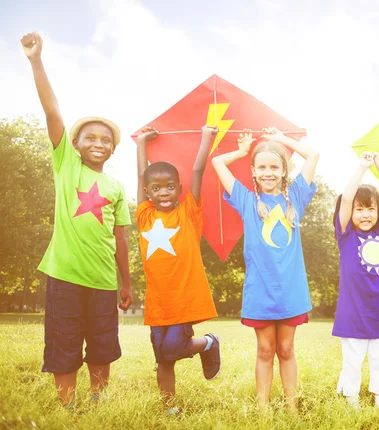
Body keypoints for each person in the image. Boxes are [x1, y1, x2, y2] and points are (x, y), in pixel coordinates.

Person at [21, 31, 132, 407]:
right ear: (76, 143)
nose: (98, 143)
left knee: (102, 344)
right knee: (64, 341)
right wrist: (36, 61)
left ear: (113, 149)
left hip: (103, 280)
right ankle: (68, 406)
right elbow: (53, 112)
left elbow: (120, 239)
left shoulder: (116, 186)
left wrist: (125, 282)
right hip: (65, 275)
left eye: (106, 140)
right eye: (90, 137)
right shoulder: (66, 165)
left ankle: (97, 401)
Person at [212, 127, 319, 410]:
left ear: (284, 171)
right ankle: (262, 410)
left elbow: (313, 155)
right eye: (262, 167)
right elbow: (217, 163)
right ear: (253, 171)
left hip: (290, 290)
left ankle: (291, 406)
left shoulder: (295, 197)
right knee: (264, 349)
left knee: (285, 349)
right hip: (260, 290)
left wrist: (281, 140)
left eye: (275, 167)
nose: (268, 172)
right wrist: (244, 150)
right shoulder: (246, 200)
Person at [136, 125, 221, 414]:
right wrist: (141, 146)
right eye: (156, 188)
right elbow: (139, 176)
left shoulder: (188, 213)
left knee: (173, 348)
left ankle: (208, 343)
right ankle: (169, 408)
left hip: (183, 298)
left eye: (170, 186)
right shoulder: (145, 215)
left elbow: (197, 172)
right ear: (148, 192)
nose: (164, 192)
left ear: (179, 190)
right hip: (158, 301)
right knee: (162, 357)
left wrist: (206, 138)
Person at [332, 145, 379, 409]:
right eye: (360, 210)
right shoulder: (346, 234)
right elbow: (347, 198)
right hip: (353, 310)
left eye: (370, 209)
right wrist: (362, 167)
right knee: (353, 358)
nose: (365, 214)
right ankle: (351, 399)